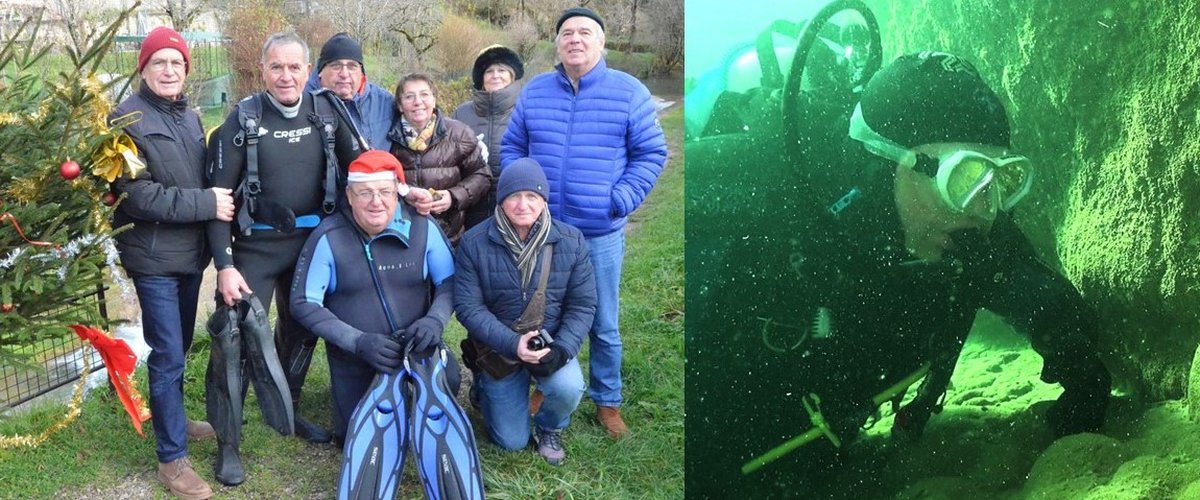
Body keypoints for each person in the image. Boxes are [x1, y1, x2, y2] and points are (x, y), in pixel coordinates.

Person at [685, 51, 1112, 496]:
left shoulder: (961, 235)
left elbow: (1031, 287)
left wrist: (1077, 361)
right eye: (964, 177)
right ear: (890, 158)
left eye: (1000, 181)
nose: (984, 211)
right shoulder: (761, 199)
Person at [205, 31, 406, 485]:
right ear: (262, 71)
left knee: (301, 331)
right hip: (256, 246)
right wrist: (224, 265)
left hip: (312, 243)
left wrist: (405, 192)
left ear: (308, 70)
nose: (286, 76)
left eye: (295, 67)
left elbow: (365, 166)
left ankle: (287, 409)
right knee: (232, 340)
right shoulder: (245, 118)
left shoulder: (326, 109)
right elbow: (218, 200)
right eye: (276, 66)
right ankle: (227, 443)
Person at [501, 6, 668, 438]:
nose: (575, 39)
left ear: (601, 43)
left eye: (585, 33)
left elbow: (652, 153)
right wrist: (522, 199)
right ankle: (547, 383)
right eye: (567, 33)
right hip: (543, 232)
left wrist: (621, 198)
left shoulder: (628, 92)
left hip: (599, 232)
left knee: (603, 322)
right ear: (557, 44)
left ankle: (607, 400)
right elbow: (512, 147)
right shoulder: (536, 92)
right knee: (540, 312)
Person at [288, 151, 476, 495]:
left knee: (447, 378)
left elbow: (450, 283)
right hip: (358, 356)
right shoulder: (328, 237)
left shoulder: (422, 227)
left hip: (418, 349)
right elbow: (303, 302)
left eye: (385, 192)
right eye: (365, 193)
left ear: (397, 192)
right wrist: (358, 341)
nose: (376, 202)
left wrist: (434, 321)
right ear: (349, 196)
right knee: (352, 436)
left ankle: (417, 412)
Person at [109, 26, 231, 499]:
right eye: (158, 62)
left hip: (187, 258)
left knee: (177, 349)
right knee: (166, 356)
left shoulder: (189, 117)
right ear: (142, 67)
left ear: (186, 70)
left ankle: (174, 419)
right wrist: (206, 204)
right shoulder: (125, 120)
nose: (168, 70)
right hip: (154, 257)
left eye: (176, 63)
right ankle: (171, 459)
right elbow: (136, 196)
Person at [455, 158, 595, 465]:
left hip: (550, 343)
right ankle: (483, 382)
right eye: (514, 196)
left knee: (569, 387)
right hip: (500, 348)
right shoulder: (473, 242)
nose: (523, 204)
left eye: (532, 196)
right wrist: (511, 343)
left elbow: (583, 305)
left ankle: (550, 427)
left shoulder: (571, 241)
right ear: (501, 199)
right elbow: (467, 307)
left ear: (544, 200)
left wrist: (562, 349)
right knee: (511, 442)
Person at [389, 73, 491, 245]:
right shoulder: (387, 138)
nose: (418, 102)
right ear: (400, 105)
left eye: (424, 94)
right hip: (402, 235)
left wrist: (454, 197)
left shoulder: (459, 133)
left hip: (449, 236)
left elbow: (482, 176)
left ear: (434, 100)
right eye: (409, 96)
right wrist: (405, 195)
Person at [451, 44, 525, 230]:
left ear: (512, 76)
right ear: (481, 78)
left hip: (515, 204)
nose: (495, 75)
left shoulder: (526, 109)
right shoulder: (461, 113)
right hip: (471, 206)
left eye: (502, 70)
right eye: (489, 71)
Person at [303, 32, 395, 150]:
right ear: (320, 71)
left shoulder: (385, 103)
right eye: (336, 66)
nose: (344, 74)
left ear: (361, 72)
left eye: (352, 66)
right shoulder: (302, 103)